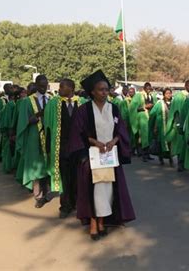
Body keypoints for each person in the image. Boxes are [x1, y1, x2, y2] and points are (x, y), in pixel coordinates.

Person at [69, 69, 135, 241]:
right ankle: (93, 223)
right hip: (92, 157)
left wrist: (114, 141)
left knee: (109, 190)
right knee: (95, 190)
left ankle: (102, 221)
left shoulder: (114, 109)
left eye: (106, 89)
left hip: (110, 156)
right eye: (100, 89)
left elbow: (121, 129)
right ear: (92, 91)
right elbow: (78, 133)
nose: (104, 93)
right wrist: (94, 142)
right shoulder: (84, 110)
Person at [44, 79, 79, 219]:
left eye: (62, 86)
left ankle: (76, 203)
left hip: (78, 147)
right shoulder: (54, 103)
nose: (59, 89)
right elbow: (47, 125)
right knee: (64, 177)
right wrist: (47, 146)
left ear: (71, 88)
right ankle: (65, 206)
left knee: (76, 176)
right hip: (61, 146)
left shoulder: (81, 102)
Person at [16, 75, 52, 208]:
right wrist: (31, 120)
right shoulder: (27, 101)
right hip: (33, 137)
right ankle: (38, 195)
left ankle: (46, 191)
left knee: (46, 165)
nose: (43, 88)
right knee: (35, 167)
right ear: (36, 85)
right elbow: (22, 121)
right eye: (41, 86)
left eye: (45, 85)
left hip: (47, 137)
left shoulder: (51, 99)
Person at [168, 80, 189, 171]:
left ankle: (186, 163)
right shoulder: (179, 96)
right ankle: (180, 164)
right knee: (180, 144)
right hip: (181, 123)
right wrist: (179, 123)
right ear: (185, 86)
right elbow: (176, 111)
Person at [129, 82, 157, 162]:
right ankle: (143, 154)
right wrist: (145, 107)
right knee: (144, 136)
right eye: (147, 88)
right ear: (144, 88)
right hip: (142, 118)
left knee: (149, 136)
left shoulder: (152, 95)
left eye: (149, 88)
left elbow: (155, 105)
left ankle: (148, 154)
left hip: (150, 117)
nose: (148, 90)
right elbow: (133, 107)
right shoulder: (138, 95)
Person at [149, 88, 174, 166]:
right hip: (161, 127)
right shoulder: (159, 103)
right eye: (167, 93)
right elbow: (153, 114)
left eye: (170, 93)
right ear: (163, 94)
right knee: (160, 144)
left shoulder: (173, 103)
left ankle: (170, 159)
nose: (169, 95)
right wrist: (154, 126)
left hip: (170, 127)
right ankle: (161, 159)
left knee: (170, 144)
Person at [0, 86, 17, 173]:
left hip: (8, 129)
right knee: (9, 149)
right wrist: (11, 131)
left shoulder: (9, 104)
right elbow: (9, 119)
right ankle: (8, 166)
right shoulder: (11, 105)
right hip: (10, 130)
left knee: (8, 149)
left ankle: (7, 166)